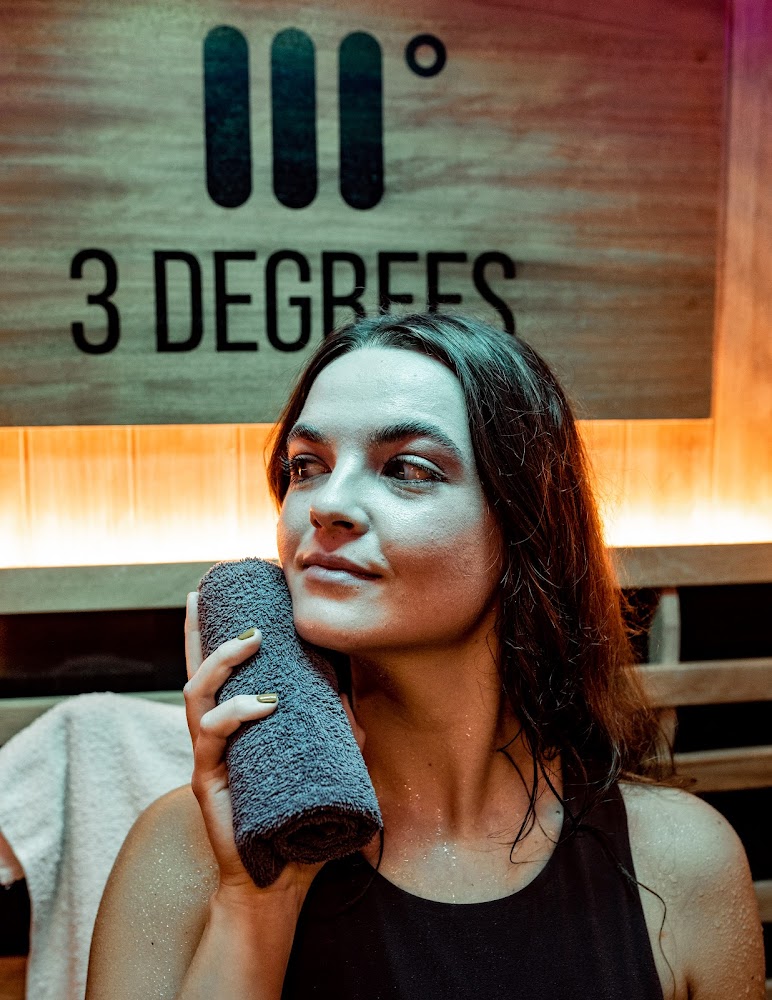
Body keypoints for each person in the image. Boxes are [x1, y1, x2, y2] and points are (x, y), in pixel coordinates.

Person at [86, 313, 765, 1000]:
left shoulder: (682, 865)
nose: (328, 504)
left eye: (406, 469)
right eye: (306, 466)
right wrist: (259, 903)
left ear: (524, 525)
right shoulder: (186, 855)